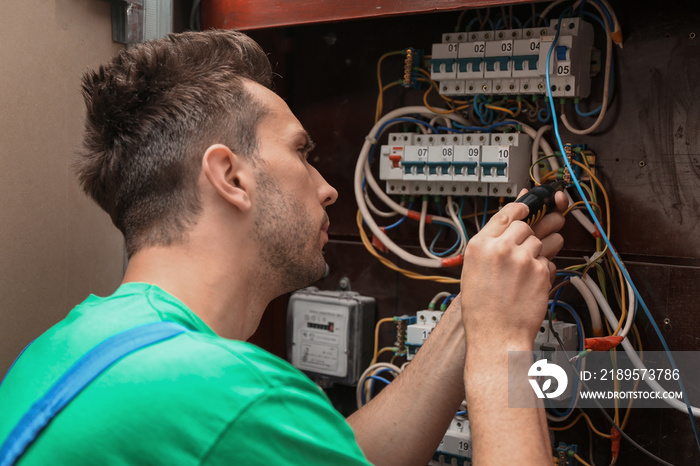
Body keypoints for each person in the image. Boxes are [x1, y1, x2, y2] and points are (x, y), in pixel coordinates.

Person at [0, 30, 566, 465]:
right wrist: (503, 343)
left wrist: (473, 313)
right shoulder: (228, 392)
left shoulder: (66, 350)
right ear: (230, 176)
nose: (328, 188)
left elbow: (342, 453)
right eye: (302, 151)